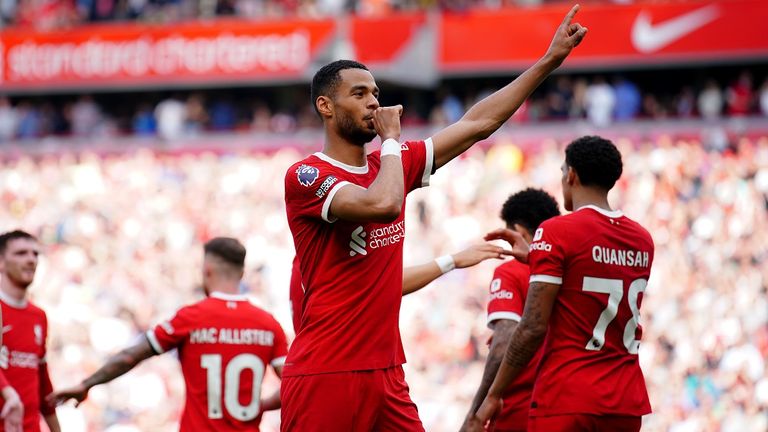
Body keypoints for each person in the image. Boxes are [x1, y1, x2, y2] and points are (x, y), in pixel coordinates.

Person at [281, 6, 587, 431]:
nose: (374, 102)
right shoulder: (307, 175)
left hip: (388, 371)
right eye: (359, 94)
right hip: (326, 371)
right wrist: (390, 141)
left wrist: (548, 61)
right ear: (325, 107)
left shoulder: (396, 162)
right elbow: (382, 204)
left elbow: (478, 123)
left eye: (375, 92)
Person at [470, 136, 654, 431]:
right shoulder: (642, 238)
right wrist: (536, 258)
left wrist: (493, 395)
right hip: (626, 402)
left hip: (569, 397)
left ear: (571, 175)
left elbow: (531, 327)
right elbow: (593, 274)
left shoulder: (556, 231)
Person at [49, 237, 288, 432]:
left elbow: (131, 356)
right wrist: (261, 405)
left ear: (207, 270)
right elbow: (292, 383)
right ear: (241, 273)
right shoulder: (268, 324)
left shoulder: (190, 318)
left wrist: (87, 384)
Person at [461, 189, 561, 432]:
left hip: (520, 412)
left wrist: (475, 414)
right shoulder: (571, 270)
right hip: (566, 406)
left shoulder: (511, 272)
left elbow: (504, 339)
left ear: (520, 233)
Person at [288, 243, 509, 334]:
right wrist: (453, 260)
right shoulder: (318, 264)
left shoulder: (305, 260)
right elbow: (382, 284)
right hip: (339, 371)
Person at [0, 230, 60, 432]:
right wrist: (8, 393)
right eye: (21, 253)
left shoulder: (38, 316)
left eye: (35, 254)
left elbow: (42, 380)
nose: (31, 260)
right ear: (1, 262)